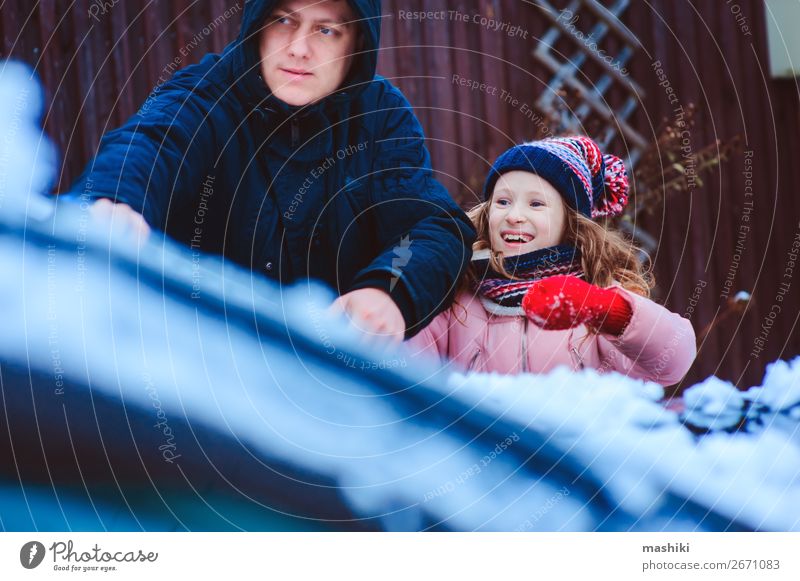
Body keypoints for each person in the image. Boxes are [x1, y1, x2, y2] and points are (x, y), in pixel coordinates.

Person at [60, 0, 475, 342]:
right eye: (284, 21)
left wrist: (388, 291)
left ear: (357, 43)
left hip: (333, 382)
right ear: (258, 26)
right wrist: (115, 199)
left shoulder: (380, 118)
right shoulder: (207, 92)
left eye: (326, 29)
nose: (297, 48)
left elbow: (430, 225)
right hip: (198, 374)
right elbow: (153, 143)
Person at [406, 136, 696, 386]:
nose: (514, 215)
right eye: (503, 201)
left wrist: (608, 310)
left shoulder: (594, 301)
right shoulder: (457, 302)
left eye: (536, 204)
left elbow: (674, 361)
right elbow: (403, 367)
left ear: (569, 223)